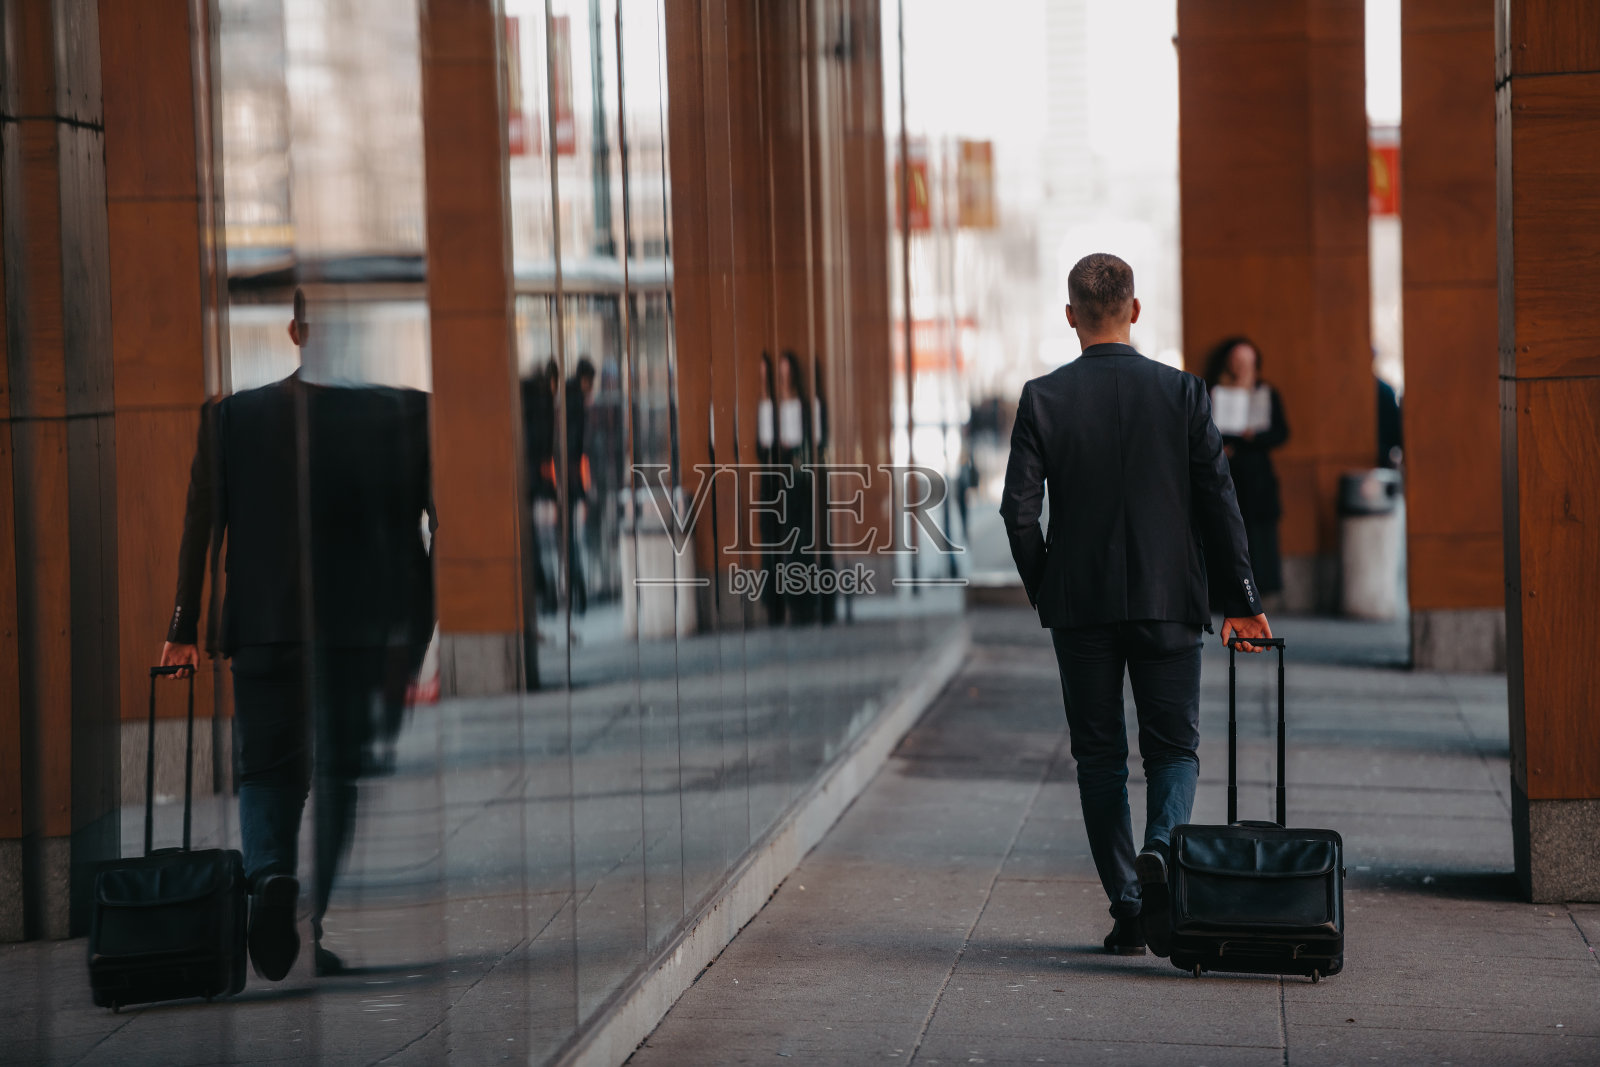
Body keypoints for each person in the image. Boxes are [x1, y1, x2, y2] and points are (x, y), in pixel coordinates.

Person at [1000, 253, 1271, 958]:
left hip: (1080, 605)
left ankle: (1128, 900)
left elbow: (1017, 514)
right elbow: (1220, 501)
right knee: (1174, 747)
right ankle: (1159, 851)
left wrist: (1048, 589)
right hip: (1167, 599)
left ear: (1070, 317)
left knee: (1099, 756)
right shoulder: (1182, 392)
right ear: (1136, 309)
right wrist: (1242, 597)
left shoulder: (1042, 398)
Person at [160, 289, 434, 980]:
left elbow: (201, 525)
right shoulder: (402, 412)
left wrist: (183, 627)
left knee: (265, 767)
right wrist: (417, 633)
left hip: (262, 626)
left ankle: (271, 874)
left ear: (295, 330)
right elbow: (429, 532)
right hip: (353, 632)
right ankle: (317, 921)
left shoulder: (232, 418)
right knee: (338, 772)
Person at [1201, 337, 1289, 606]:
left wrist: (1254, 437)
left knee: (1258, 539)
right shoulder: (1214, 391)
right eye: (1236, 362)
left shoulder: (1266, 393)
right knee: (1226, 534)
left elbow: (1281, 433)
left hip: (1257, 479)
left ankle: (1257, 596)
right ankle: (1224, 595)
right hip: (1227, 476)